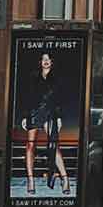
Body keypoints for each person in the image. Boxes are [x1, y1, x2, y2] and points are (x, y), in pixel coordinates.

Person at [19, 53, 71, 197]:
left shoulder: (57, 78)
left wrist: (59, 117)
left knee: (55, 146)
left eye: (48, 59)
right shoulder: (33, 77)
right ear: (40, 62)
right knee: (30, 145)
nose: (46, 61)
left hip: (50, 113)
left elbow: (60, 98)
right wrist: (24, 116)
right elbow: (27, 97)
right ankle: (31, 181)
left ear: (52, 62)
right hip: (34, 112)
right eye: (43, 59)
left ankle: (64, 179)